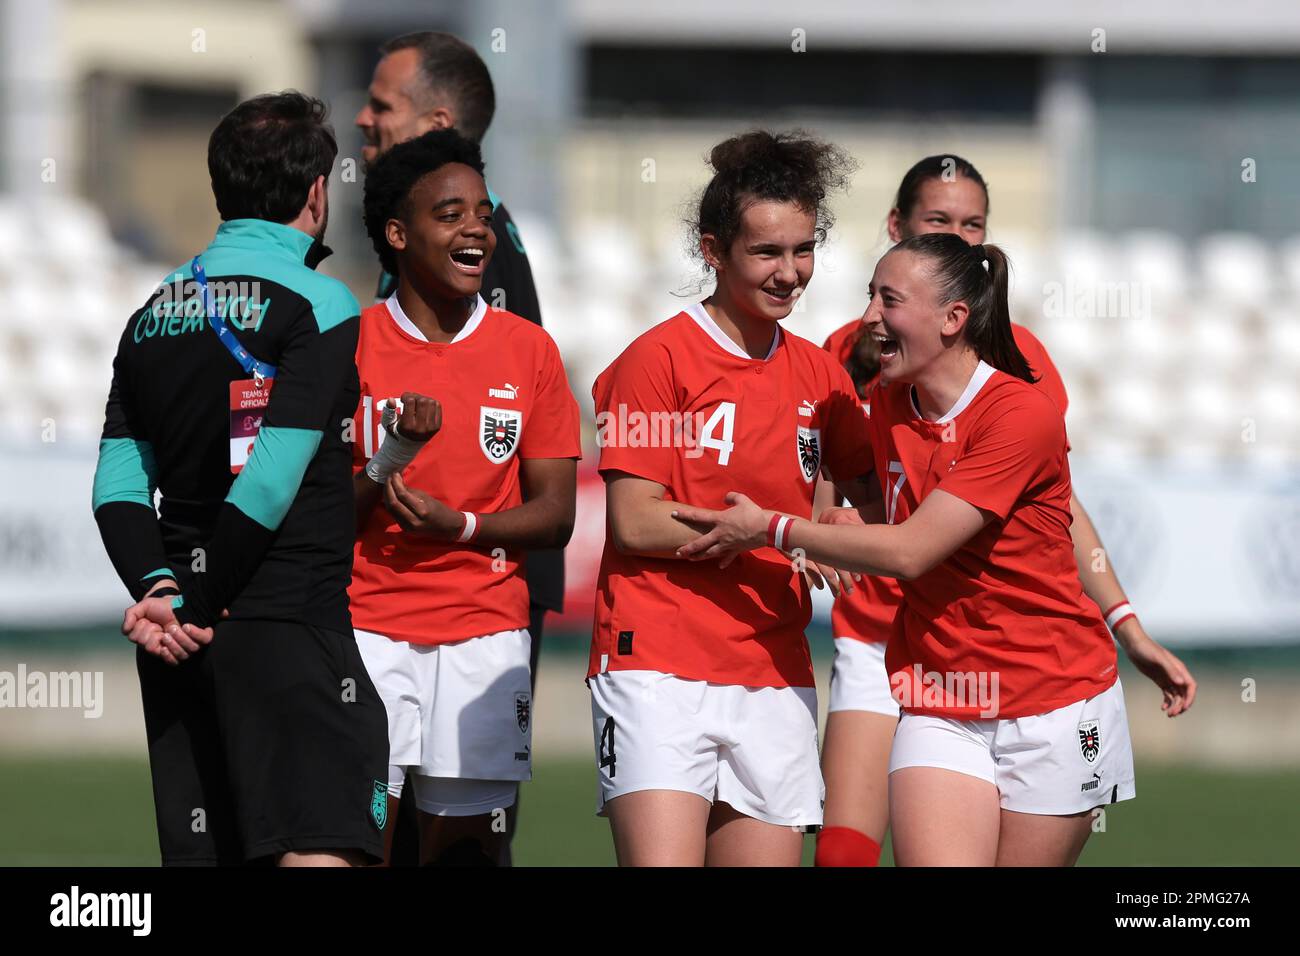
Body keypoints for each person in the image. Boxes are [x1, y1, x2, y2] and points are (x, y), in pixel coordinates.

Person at [675, 234, 1137, 866]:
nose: (868, 317)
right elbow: (899, 514)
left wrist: (774, 529)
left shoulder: (1020, 414)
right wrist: (839, 524)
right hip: (941, 693)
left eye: (887, 300)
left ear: (953, 319)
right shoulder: (890, 403)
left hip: (1055, 701)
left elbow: (914, 550)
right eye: (870, 296)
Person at [812, 155, 1196, 868]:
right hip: (891, 639)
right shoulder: (854, 355)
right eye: (938, 223)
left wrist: (1126, 625)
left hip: (1029, 672)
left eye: (973, 225)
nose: (957, 237)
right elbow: (834, 486)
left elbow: (1059, 508)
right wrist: (818, 530)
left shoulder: (1021, 370)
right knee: (843, 854)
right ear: (899, 229)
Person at [91, 92, 387, 866]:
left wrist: (161, 592)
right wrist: (201, 599)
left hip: (176, 642)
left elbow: (117, 482)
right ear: (317, 191)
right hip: (282, 618)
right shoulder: (321, 300)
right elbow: (270, 479)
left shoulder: (152, 311)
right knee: (326, 841)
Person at [589, 130, 873, 867]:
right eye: (767, 253)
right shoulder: (654, 360)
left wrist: (841, 519)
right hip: (654, 662)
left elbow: (866, 502)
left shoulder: (822, 377)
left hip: (774, 670)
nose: (790, 273)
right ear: (713, 251)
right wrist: (772, 533)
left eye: (803, 250)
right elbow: (634, 519)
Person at [355, 31, 560, 861]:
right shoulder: (363, 325)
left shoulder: (488, 269)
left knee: (464, 846)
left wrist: (469, 530)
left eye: (382, 106)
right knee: (371, 834)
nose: (363, 121)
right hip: (382, 611)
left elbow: (525, 471)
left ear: (436, 121)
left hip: (487, 601)